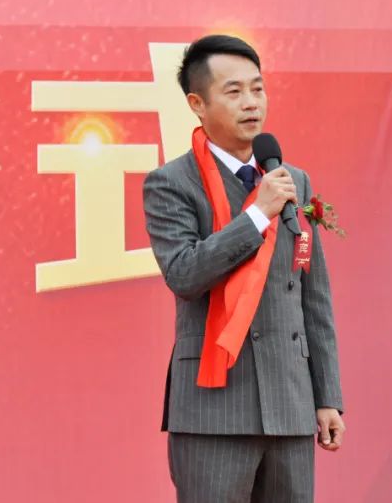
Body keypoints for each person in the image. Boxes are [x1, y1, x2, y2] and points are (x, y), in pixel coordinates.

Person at [143, 34, 344, 502]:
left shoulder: (292, 180)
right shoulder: (171, 183)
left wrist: (327, 395)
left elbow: (312, 295)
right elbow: (184, 274)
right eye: (234, 92)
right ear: (197, 103)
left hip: (290, 403)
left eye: (257, 88)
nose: (252, 103)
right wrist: (256, 215)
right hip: (214, 408)